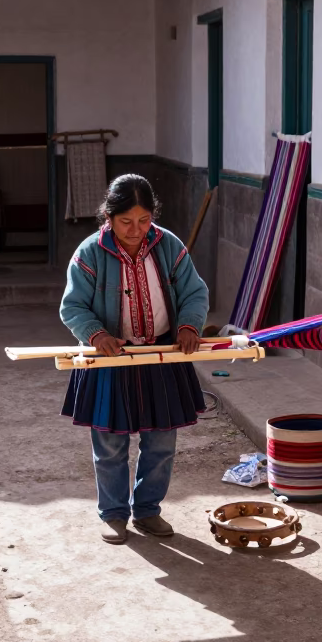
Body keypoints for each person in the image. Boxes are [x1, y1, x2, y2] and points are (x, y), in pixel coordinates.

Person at [60, 174, 209, 544]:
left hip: (161, 354)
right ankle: (113, 514)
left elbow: (195, 292)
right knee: (110, 444)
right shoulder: (90, 252)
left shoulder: (168, 245)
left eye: (143, 220)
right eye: (126, 221)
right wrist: (98, 335)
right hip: (111, 357)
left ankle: (147, 510)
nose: (136, 229)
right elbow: (73, 306)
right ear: (108, 217)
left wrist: (189, 326)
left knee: (161, 441)